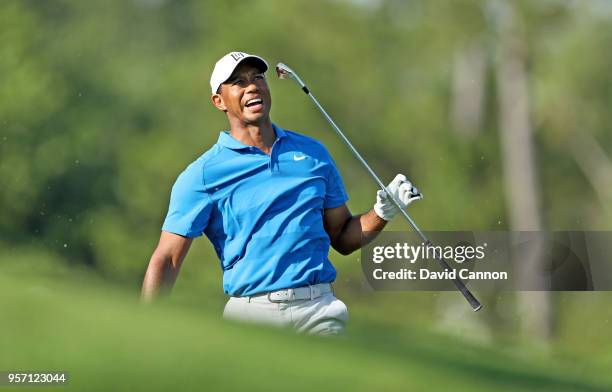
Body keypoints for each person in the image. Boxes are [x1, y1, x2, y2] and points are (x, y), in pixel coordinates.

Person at [141, 51, 421, 335]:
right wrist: (147, 329)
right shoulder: (202, 175)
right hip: (250, 314)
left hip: (318, 308)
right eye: (238, 82)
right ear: (219, 101)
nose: (252, 86)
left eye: (257, 78)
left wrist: (383, 212)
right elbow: (167, 259)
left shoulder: (313, 154)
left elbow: (342, 237)